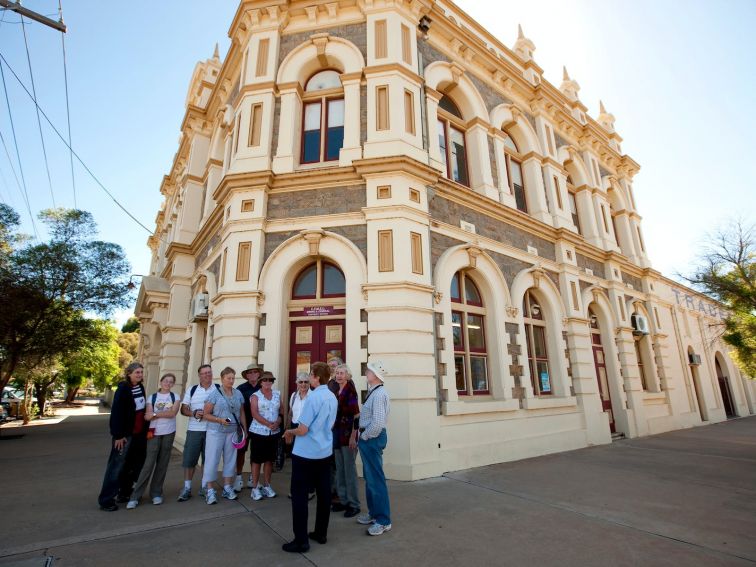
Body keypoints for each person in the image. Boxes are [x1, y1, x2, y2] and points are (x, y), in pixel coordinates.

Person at [282, 362, 338, 553]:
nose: (309, 378)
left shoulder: (313, 398)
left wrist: (289, 431)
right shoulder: (332, 396)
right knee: (323, 495)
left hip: (305, 454)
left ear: (316, 376)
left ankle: (301, 541)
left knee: (299, 496)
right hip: (324, 452)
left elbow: (303, 429)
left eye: (311, 375)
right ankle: (321, 533)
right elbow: (329, 425)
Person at [97, 362, 147, 511]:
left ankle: (124, 492)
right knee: (116, 467)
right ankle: (106, 500)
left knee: (130, 465)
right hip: (124, 436)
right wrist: (118, 435)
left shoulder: (140, 387)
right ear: (129, 373)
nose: (139, 375)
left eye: (141, 372)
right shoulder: (123, 389)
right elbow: (117, 413)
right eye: (137, 372)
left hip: (138, 434)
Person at [127, 373, 180, 508]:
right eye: (166, 381)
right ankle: (135, 496)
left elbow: (172, 413)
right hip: (154, 433)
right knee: (148, 464)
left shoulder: (175, 397)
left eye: (170, 382)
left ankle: (156, 493)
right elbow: (147, 416)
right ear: (161, 382)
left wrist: (156, 414)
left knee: (162, 464)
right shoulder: (152, 397)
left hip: (169, 432)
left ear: (173, 384)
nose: (167, 383)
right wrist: (157, 415)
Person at [357, 360, 392, 536]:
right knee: (370, 478)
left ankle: (383, 520)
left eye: (369, 371)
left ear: (376, 375)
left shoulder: (378, 394)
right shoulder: (375, 392)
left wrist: (364, 436)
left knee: (376, 479)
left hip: (371, 438)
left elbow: (377, 424)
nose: (366, 372)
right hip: (369, 438)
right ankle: (374, 514)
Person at [201, 366, 246, 505]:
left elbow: (242, 412)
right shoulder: (214, 394)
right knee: (212, 459)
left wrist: (244, 429)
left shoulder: (238, 393)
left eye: (233, 378)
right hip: (215, 431)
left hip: (232, 432)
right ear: (222, 379)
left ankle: (227, 487)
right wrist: (219, 420)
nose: (231, 381)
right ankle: (209, 490)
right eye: (228, 378)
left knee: (230, 459)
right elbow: (205, 414)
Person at [177, 364, 215, 502]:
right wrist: (193, 413)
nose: (207, 375)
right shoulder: (192, 390)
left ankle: (205, 486)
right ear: (199, 375)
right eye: (204, 373)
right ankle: (187, 488)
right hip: (194, 430)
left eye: (209, 372)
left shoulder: (217, 389)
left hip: (212, 430)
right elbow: (183, 409)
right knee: (189, 460)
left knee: (208, 460)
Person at [332, 364, 361, 517]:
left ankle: (354, 504)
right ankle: (343, 501)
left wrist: (353, 437)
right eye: (337, 373)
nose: (339, 376)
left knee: (349, 471)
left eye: (342, 373)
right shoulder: (337, 391)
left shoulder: (350, 390)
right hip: (337, 434)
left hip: (348, 434)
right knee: (340, 469)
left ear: (348, 375)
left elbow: (356, 416)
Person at [248, 371, 282, 501]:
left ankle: (267, 485)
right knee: (257, 460)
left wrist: (278, 422)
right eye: (265, 380)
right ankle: (255, 488)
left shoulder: (277, 394)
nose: (268, 382)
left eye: (270, 380)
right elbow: (254, 413)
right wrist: (268, 424)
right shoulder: (255, 396)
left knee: (269, 460)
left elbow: (282, 410)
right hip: (258, 432)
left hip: (273, 432)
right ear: (260, 382)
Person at [234, 364, 262, 492]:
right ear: (246, 375)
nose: (252, 374)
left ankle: (253, 478)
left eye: (255, 372)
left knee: (256, 453)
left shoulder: (262, 387)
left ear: (258, 374)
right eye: (250, 372)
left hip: (258, 426)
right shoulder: (240, 389)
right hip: (243, 425)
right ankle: (238, 478)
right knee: (241, 452)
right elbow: (236, 407)